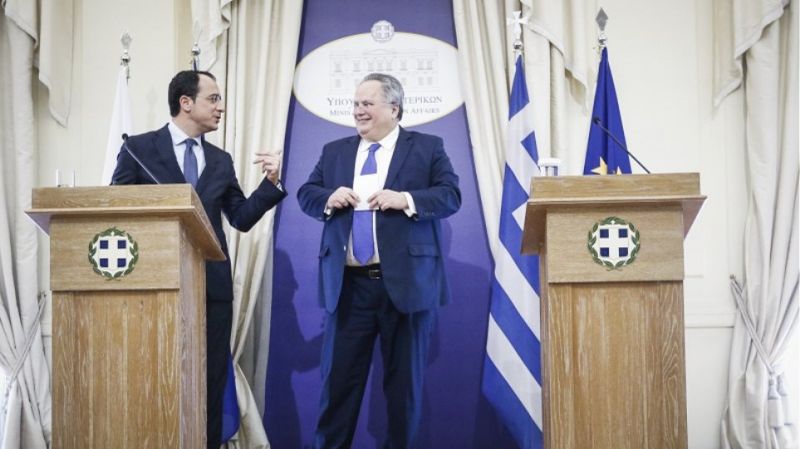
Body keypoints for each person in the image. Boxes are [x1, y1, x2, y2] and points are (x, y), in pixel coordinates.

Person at [111, 70, 286, 449]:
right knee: (156, 372)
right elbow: (117, 211)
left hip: (212, 287)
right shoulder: (138, 149)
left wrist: (270, 184)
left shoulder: (220, 160)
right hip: (156, 286)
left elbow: (240, 218)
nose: (221, 107)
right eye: (213, 98)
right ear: (186, 102)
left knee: (210, 379)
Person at [298, 73, 461, 449]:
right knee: (337, 390)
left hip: (405, 288)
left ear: (394, 108)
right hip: (348, 288)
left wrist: (407, 199)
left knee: (403, 393)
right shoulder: (334, 151)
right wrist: (328, 197)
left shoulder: (427, 147)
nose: (358, 111)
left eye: (367, 104)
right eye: (356, 104)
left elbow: (450, 195)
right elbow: (307, 193)